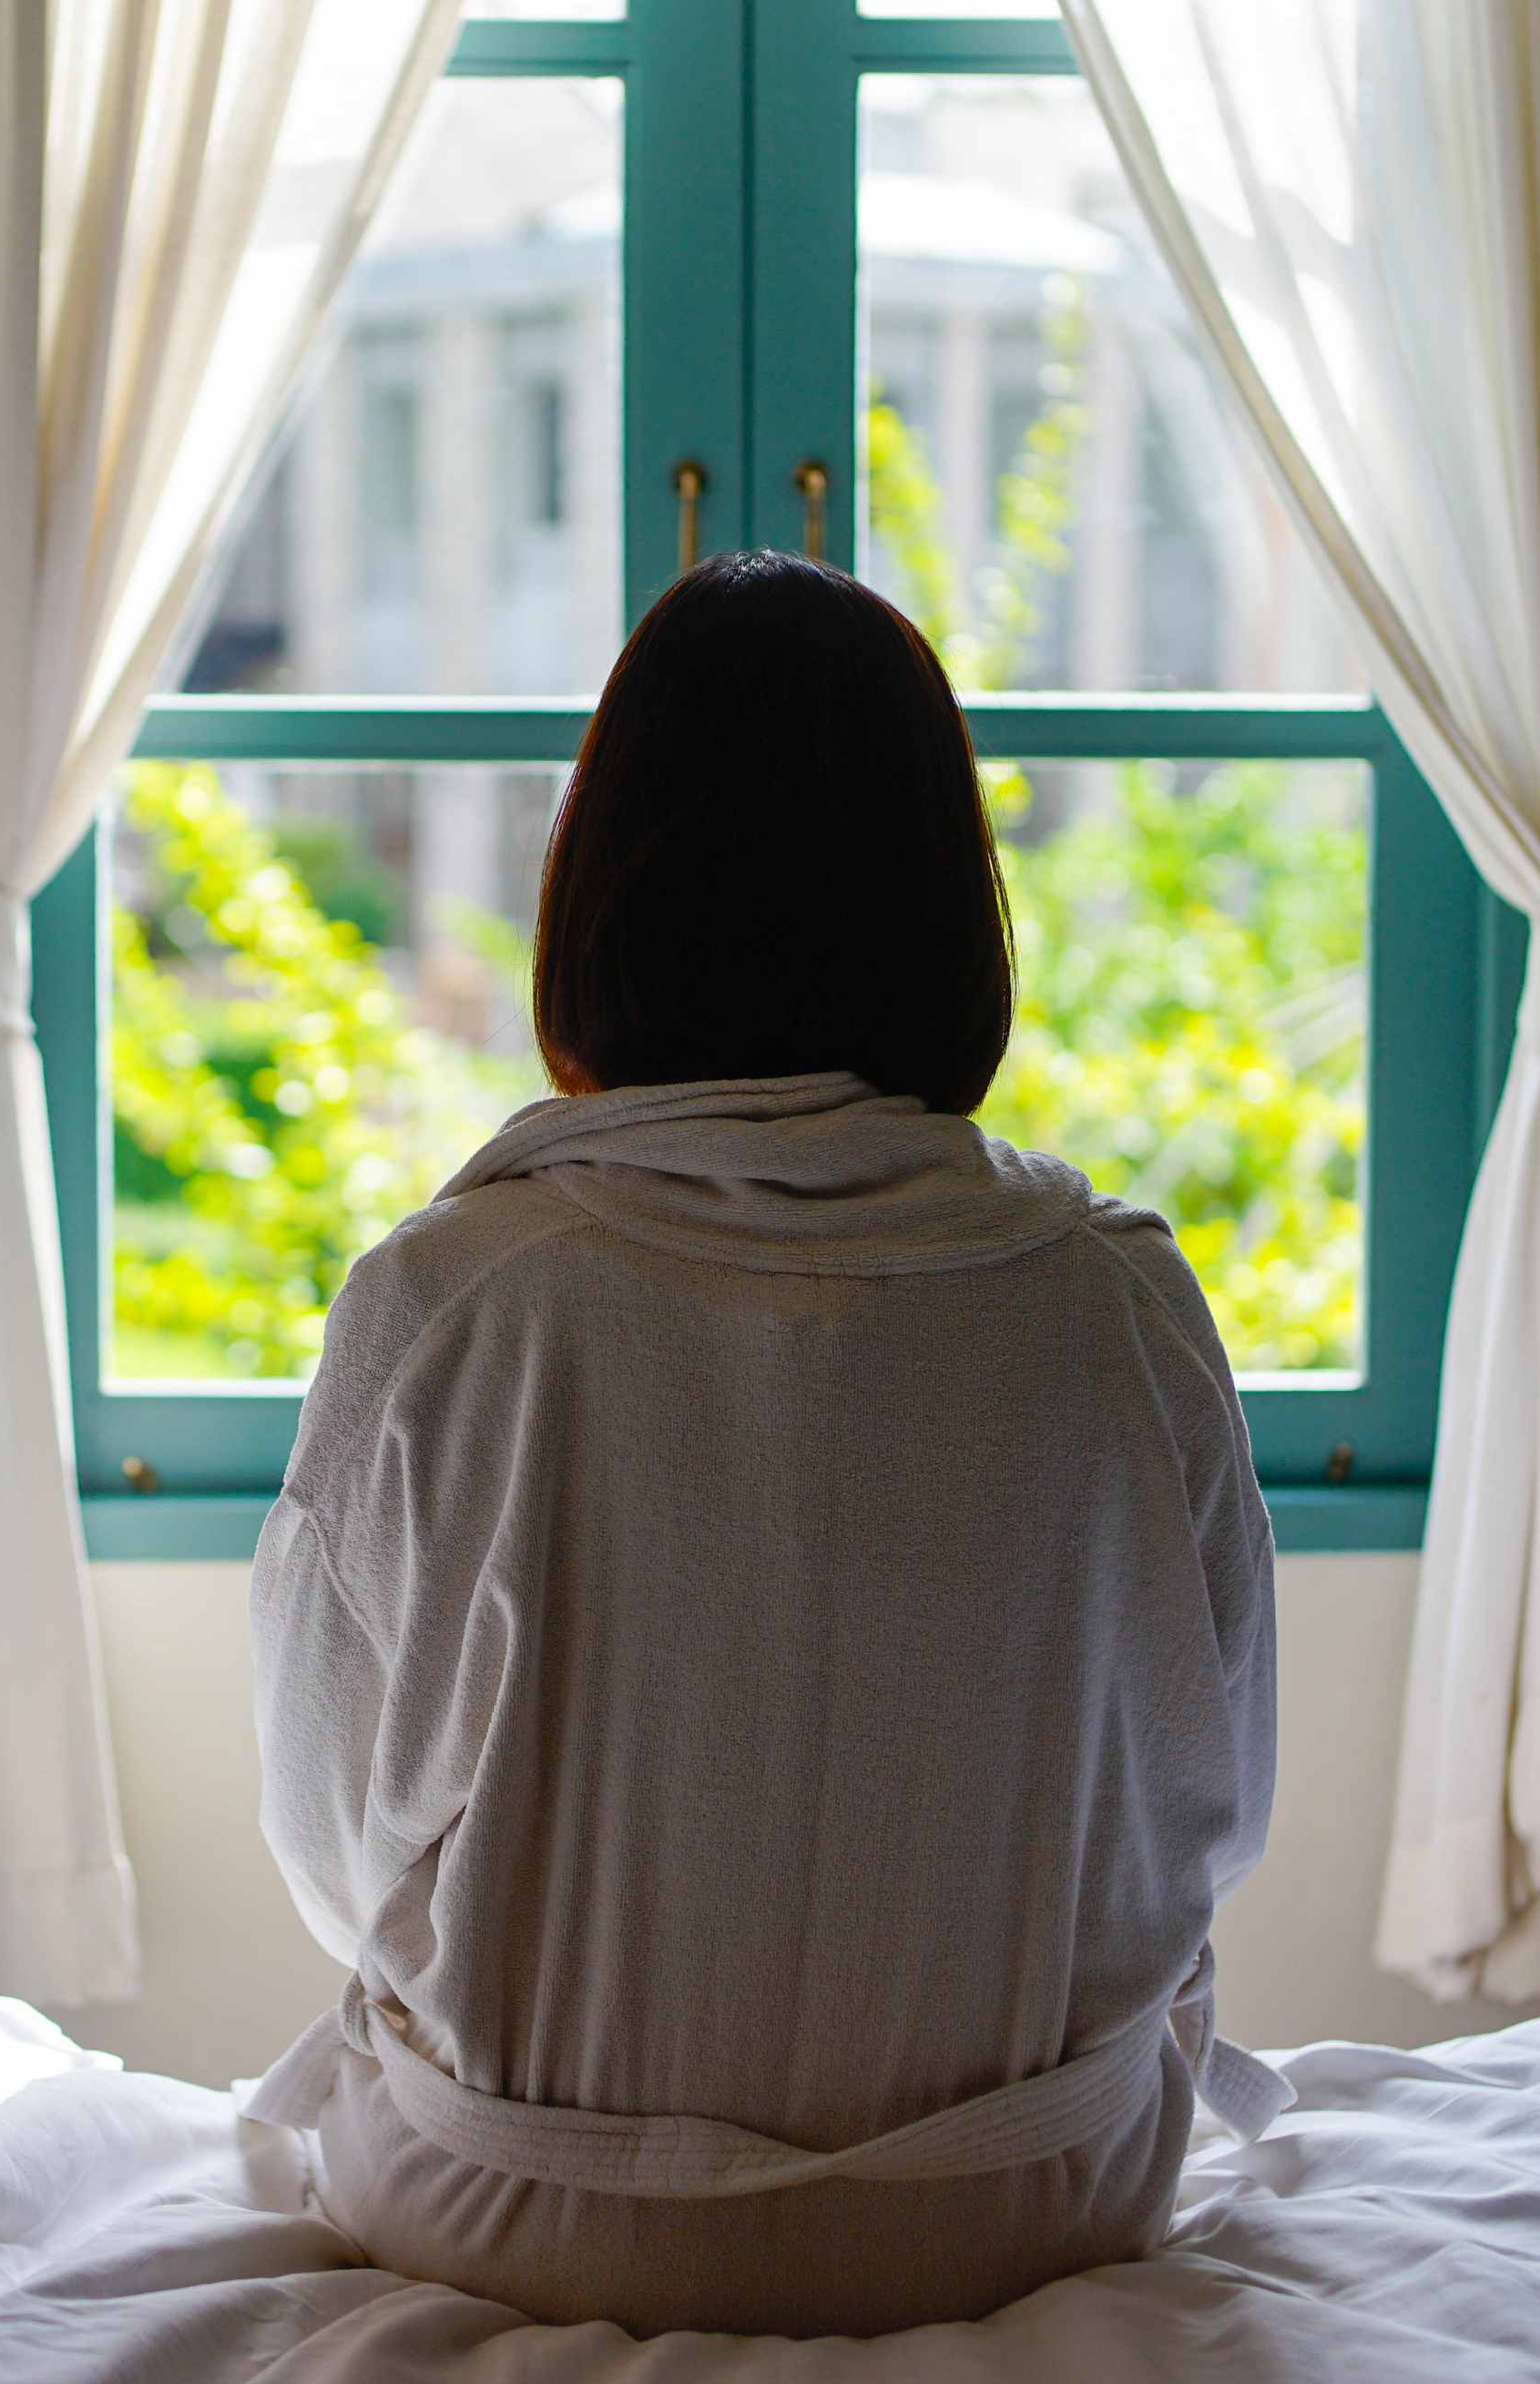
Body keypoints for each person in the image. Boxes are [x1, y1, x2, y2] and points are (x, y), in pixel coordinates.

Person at [241, 549, 1282, 2339]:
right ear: (949, 904)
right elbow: (1215, 1815)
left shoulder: (459, 1299)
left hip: (526, 2215)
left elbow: (334, 1843)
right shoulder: (1111, 1300)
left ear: (592, 886)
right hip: (1036, 2196)